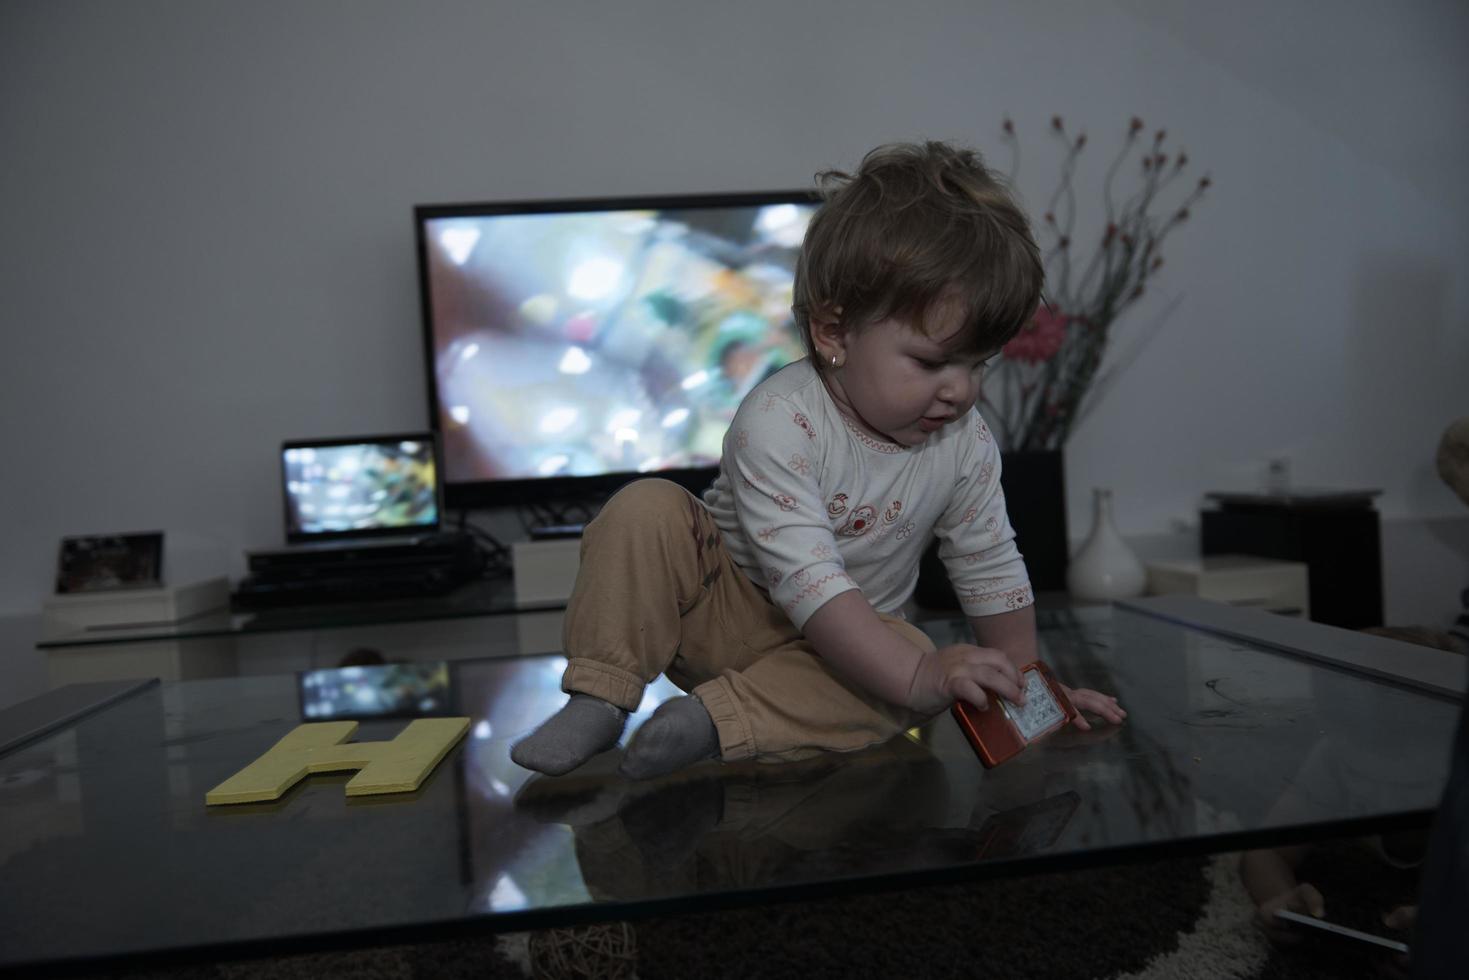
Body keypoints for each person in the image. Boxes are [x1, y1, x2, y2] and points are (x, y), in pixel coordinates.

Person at [511, 141, 1126, 781]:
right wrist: (916, 677)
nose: (962, 389)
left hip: (839, 658)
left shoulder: (964, 443)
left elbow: (990, 563)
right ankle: (599, 697)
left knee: (913, 655)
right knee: (647, 508)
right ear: (834, 333)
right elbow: (811, 582)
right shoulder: (779, 420)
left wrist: (1028, 691)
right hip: (718, 611)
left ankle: (715, 722)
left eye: (979, 364)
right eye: (933, 361)